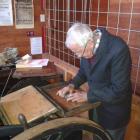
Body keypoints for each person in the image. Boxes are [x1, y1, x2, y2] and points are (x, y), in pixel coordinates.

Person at [57, 23, 132, 140]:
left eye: (78, 52)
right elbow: (84, 71)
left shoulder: (118, 49)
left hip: (113, 112)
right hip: (96, 106)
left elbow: (119, 90)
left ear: (90, 42)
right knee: (97, 135)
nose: (77, 56)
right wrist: (72, 84)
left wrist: (88, 96)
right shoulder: (86, 48)